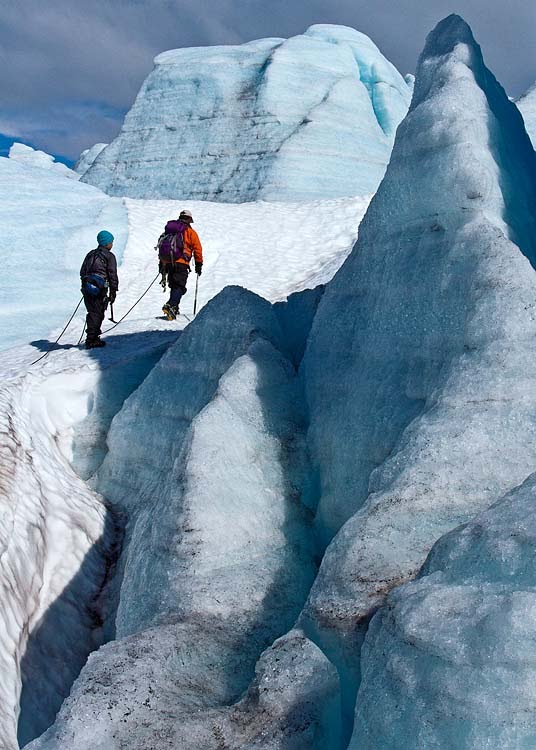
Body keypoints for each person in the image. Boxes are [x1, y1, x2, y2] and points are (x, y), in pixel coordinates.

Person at [159, 209, 203, 320]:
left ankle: (174, 308)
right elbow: (197, 249)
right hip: (181, 262)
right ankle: (171, 305)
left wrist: (162, 264)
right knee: (179, 286)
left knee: (174, 285)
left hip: (168, 262)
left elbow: (163, 246)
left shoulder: (170, 231)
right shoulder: (190, 232)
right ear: (189, 219)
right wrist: (199, 264)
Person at [80, 230, 119, 349]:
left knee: (92, 311)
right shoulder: (109, 256)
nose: (112, 244)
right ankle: (92, 339)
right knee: (98, 312)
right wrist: (113, 290)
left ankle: (93, 336)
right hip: (100, 288)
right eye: (111, 242)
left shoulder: (90, 254)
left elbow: (82, 271)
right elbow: (112, 274)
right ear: (106, 243)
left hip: (87, 286)